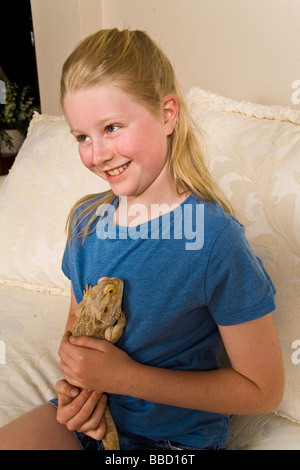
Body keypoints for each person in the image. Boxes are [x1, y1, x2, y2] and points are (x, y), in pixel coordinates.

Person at [0, 28, 284, 450]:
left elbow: (263, 389)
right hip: (89, 425)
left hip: (172, 444)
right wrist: (76, 397)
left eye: (112, 127)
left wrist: (124, 378)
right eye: (82, 137)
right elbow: (77, 337)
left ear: (167, 114)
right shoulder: (85, 222)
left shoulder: (213, 240)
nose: (96, 154)